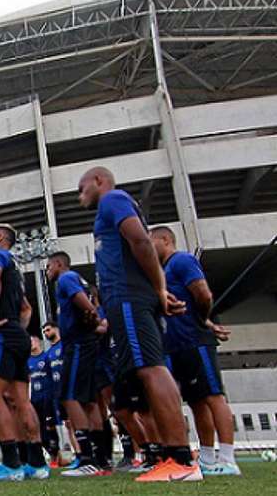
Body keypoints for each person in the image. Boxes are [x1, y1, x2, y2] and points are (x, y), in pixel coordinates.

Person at [78, 166, 201, 482]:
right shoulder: (109, 208)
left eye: (82, 189)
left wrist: (159, 289)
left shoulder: (113, 198)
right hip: (126, 299)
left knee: (151, 368)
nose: (80, 197)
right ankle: (168, 456)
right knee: (144, 372)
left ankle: (181, 460)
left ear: (99, 181)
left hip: (130, 297)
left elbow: (141, 241)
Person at [150, 226, 239, 476]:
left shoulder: (182, 261)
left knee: (213, 397)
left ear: (165, 240)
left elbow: (203, 294)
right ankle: (208, 458)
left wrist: (203, 321)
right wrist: (208, 322)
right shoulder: (163, 272)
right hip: (176, 344)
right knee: (197, 403)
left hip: (195, 342)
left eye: (151, 242)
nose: (148, 247)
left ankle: (228, 458)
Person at [0, 224, 49, 482]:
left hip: (4, 334)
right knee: (20, 400)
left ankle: (11, 464)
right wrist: (19, 329)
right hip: (18, 335)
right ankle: (37, 464)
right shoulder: (15, 267)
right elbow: (26, 308)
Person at [46, 251, 110, 477]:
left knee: (70, 397)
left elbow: (85, 304)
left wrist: (93, 317)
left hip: (79, 345)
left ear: (58, 263)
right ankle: (101, 458)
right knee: (89, 400)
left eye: (48, 266)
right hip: (84, 343)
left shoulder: (66, 278)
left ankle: (86, 458)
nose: (47, 271)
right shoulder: (73, 280)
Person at [42, 322, 73, 468]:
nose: (46, 333)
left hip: (70, 388)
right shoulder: (48, 354)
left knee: (75, 421)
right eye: (44, 332)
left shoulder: (65, 345)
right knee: (66, 424)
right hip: (57, 394)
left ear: (56, 329)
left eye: (48, 330)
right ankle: (72, 455)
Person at [27, 336, 60, 466]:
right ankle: (45, 454)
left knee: (50, 426)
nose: (30, 344)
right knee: (38, 428)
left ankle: (55, 456)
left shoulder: (46, 357)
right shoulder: (27, 361)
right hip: (35, 400)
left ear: (38, 341)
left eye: (32, 341)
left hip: (48, 398)